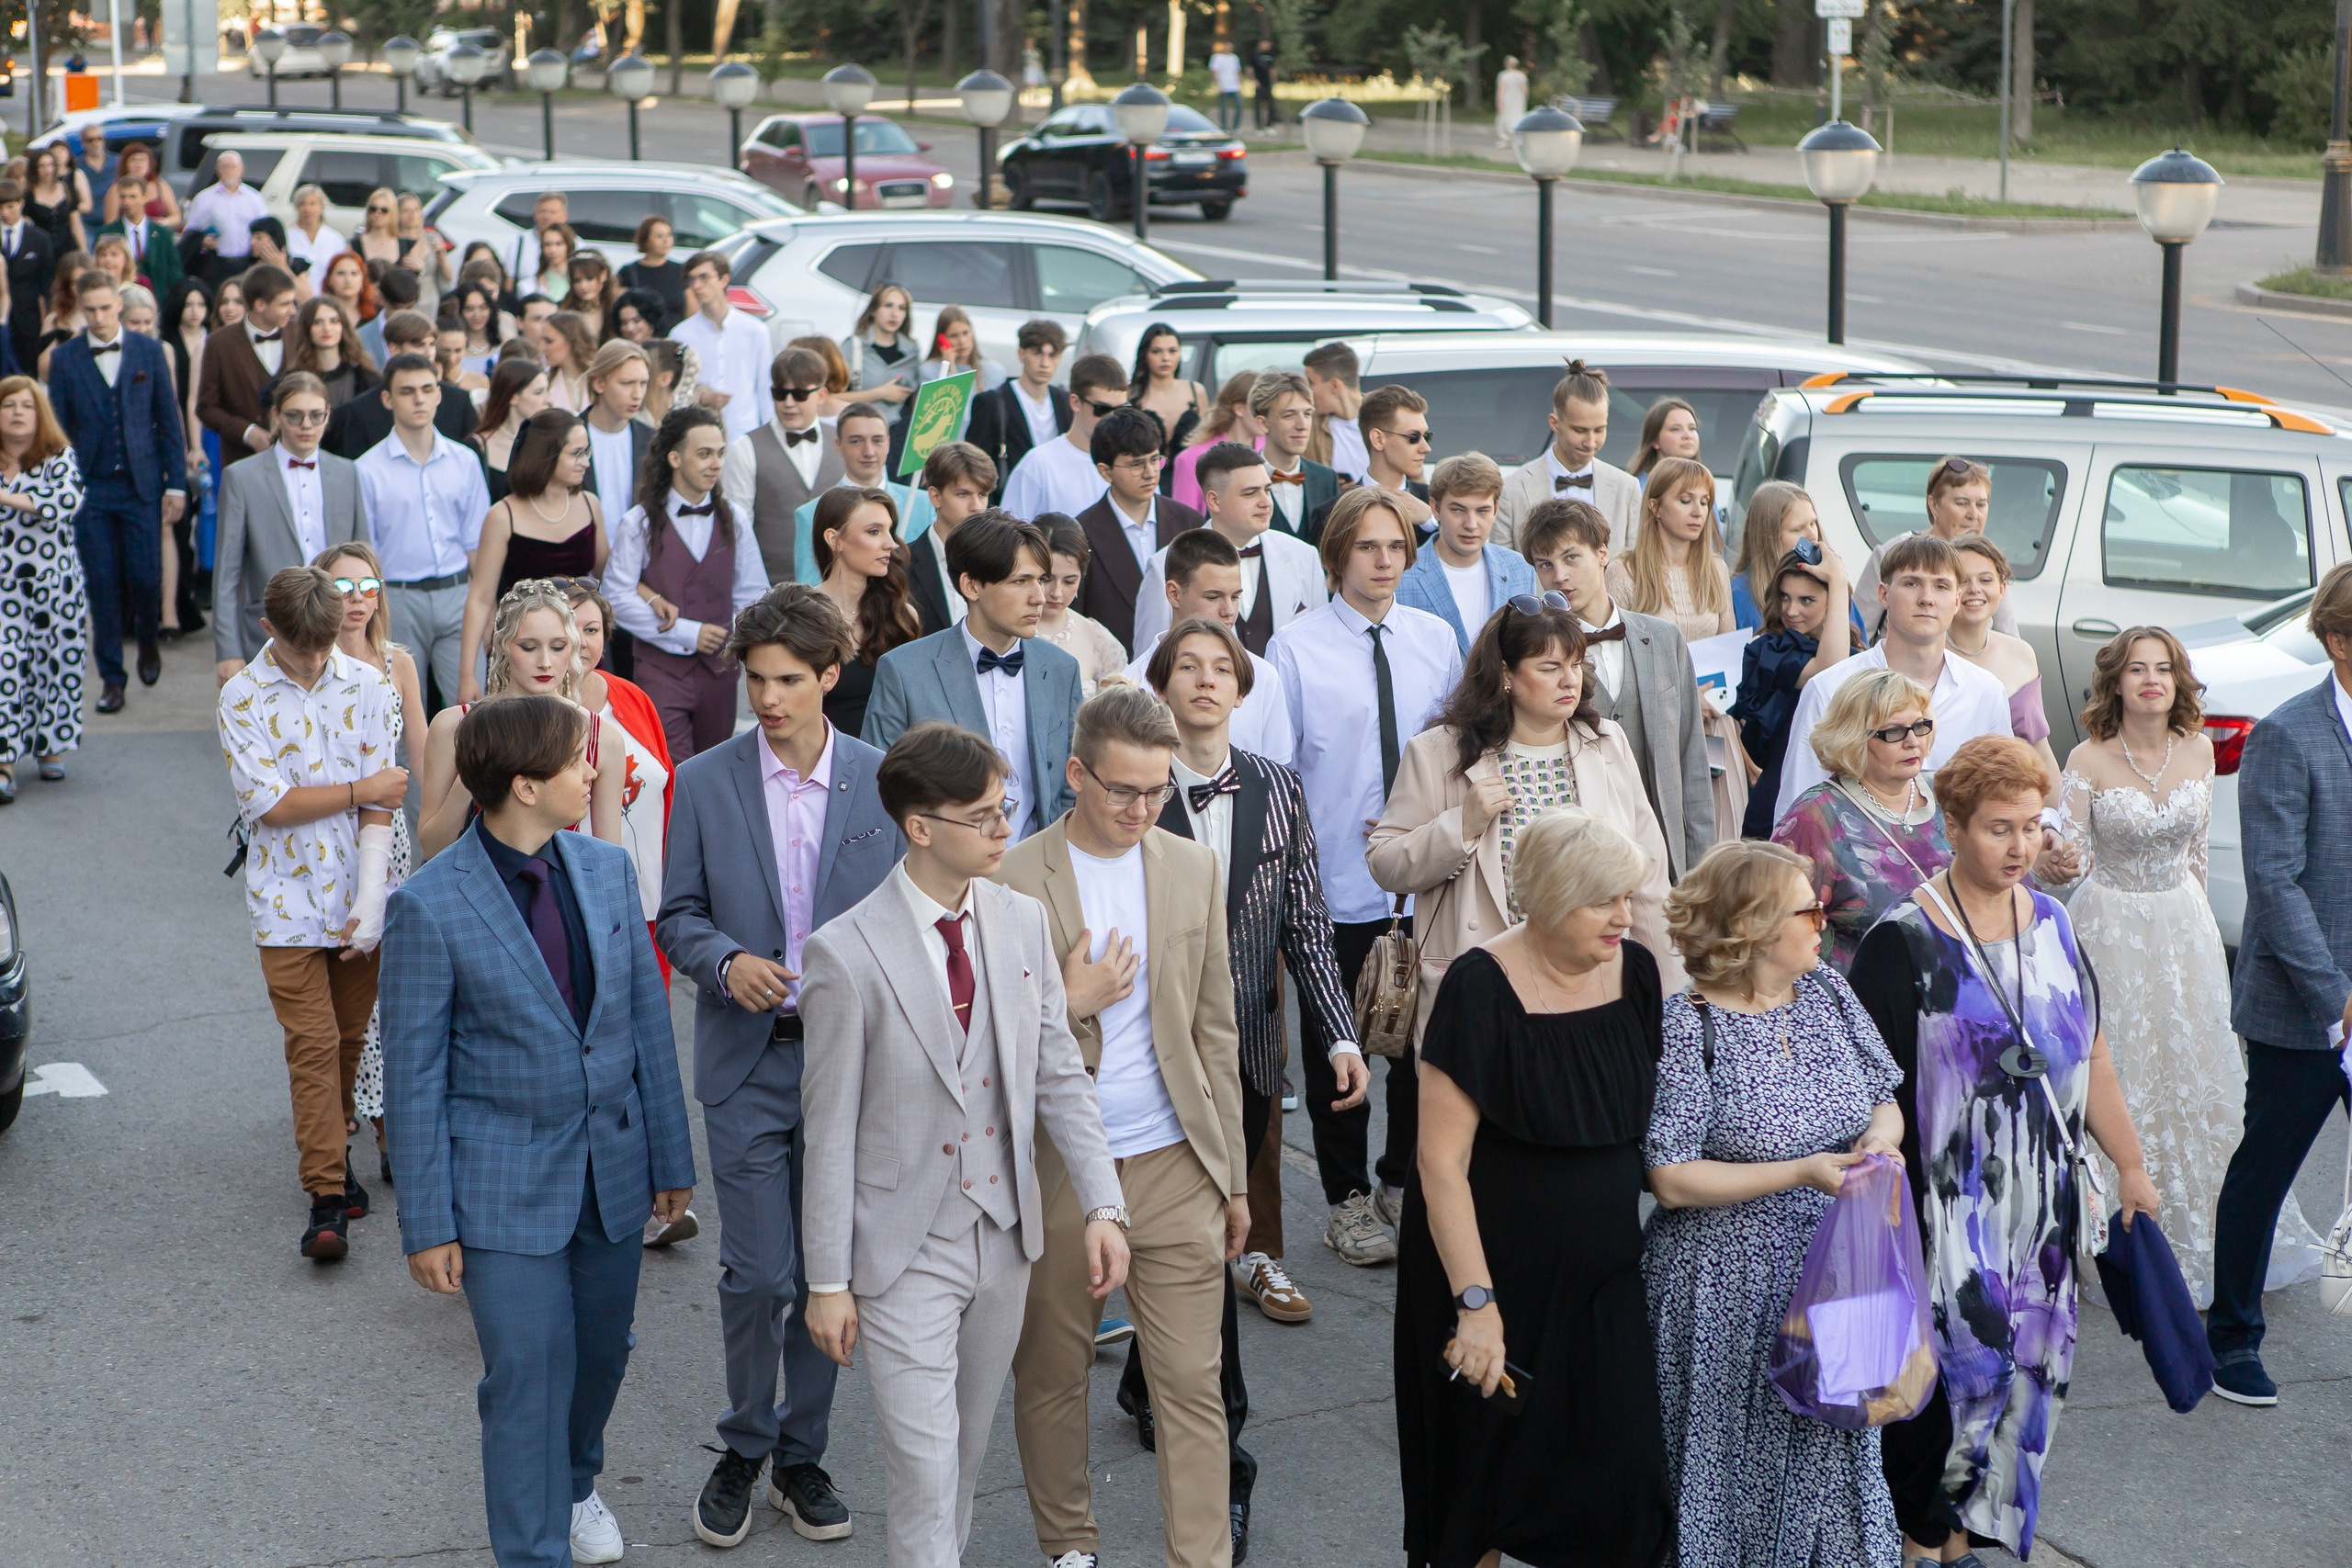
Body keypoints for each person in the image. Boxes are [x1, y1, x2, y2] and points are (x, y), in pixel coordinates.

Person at [796, 721, 1129, 1568]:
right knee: (922, 1462)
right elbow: (827, 1130)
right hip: (903, 1247)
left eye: (1004, 808)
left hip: (1004, 1234)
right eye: (980, 815)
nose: (1001, 829)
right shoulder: (845, 951)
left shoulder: (1020, 922)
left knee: (964, 1461)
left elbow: (1059, 1074)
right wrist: (828, 1281)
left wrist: (1101, 1202)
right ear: (919, 826)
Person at [381, 693, 696, 1568]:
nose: (591, 770)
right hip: (497, 1184)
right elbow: (413, 1076)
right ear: (525, 785)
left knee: (600, 1356)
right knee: (525, 1375)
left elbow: (645, 1023)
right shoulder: (430, 905)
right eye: (574, 761)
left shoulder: (602, 869)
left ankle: (572, 1480)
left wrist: (672, 1156)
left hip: (614, 1171)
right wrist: (429, 1223)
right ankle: (533, 1550)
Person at [1849, 735, 2160, 1563]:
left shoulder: (2055, 923)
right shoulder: (1902, 940)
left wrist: (2130, 1165)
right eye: (1999, 827)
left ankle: (1964, 1544)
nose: (2022, 846)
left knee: (2027, 1388)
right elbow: (1868, 1097)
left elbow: (2089, 1052)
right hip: (1942, 1215)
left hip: (2044, 1215)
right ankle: (1923, 1546)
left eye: (2032, 826)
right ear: (1951, 825)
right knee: (1951, 1399)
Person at [656, 584, 898, 1551]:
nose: (766, 698)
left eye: (788, 681)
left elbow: (911, 920)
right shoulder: (708, 779)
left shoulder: (884, 780)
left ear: (830, 678)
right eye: (754, 680)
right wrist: (723, 961)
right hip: (747, 1061)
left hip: (850, 1069)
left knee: (825, 1270)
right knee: (759, 1274)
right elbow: (677, 915)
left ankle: (802, 1452)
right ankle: (745, 1442)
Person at [996, 684, 1245, 1568]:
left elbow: (1217, 1025)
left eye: (1158, 789)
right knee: (1054, 1373)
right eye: (1122, 790)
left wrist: (1237, 1177)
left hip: (1175, 1155)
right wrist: (1068, 1003)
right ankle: (1071, 1551)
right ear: (1075, 774)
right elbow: (981, 1046)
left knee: (1191, 1382)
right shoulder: (1012, 877)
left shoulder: (1192, 866)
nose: (1142, 808)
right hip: (1061, 1162)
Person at [1394, 807, 1674, 1568]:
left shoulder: (1637, 971)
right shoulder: (1478, 988)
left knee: (1628, 1489)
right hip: (1493, 1278)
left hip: (1605, 1281)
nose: (1624, 916)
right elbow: (1439, 1163)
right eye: (1603, 901)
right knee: (1479, 1494)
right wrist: (1476, 1305)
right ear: (1547, 900)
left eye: (1628, 896)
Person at [1645, 839, 1906, 1568]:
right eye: (1810, 909)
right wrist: (1801, 1172)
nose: (1825, 921)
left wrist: (1878, 1148)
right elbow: (1670, 1175)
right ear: (1755, 925)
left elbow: (1885, 1100)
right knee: (1730, 1466)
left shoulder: (1826, 991)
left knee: (1839, 1453)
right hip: (1730, 1284)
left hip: (1842, 1263)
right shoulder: (1687, 1024)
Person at [2053, 626, 2324, 1314]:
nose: (2151, 679)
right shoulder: (2087, 757)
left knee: (2201, 1075)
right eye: (2137, 669)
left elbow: (2199, 851)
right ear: (2115, 683)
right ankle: (2117, 1230)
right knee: (2125, 1071)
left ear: (2178, 682)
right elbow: (2070, 861)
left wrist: (2198, 928)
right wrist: (2052, 857)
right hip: (2110, 924)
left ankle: (2212, 1231)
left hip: (2184, 925)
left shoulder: (2201, 750)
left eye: (2164, 669)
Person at [1144, 615, 1366, 1327]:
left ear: (1242, 689)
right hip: (1156, 1030)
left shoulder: (1279, 787)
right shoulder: (1135, 790)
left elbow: (1307, 926)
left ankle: (1259, 1256)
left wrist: (1340, 1037)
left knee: (1253, 1155)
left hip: (1251, 1023)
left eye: (1221, 667)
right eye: (1188, 665)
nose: (1206, 678)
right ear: (1161, 684)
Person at [1268, 488, 1463, 1265]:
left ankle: (1400, 1177)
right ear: (1337, 555)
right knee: (1336, 1046)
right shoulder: (1297, 647)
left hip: (1423, 878)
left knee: (1423, 1046)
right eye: (1367, 548)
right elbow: (1281, 767)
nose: (1383, 561)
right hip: (1337, 882)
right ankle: (1345, 1196)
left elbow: (1453, 744)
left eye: (1394, 548)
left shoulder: (1434, 637)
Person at [1374, 587, 1685, 1012]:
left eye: (1575, 664)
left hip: (1596, 983)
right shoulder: (1437, 752)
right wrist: (1460, 827)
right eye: (1549, 667)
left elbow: (1648, 880)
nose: (1569, 680)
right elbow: (1386, 863)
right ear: (1505, 675)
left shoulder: (1606, 741)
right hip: (1486, 994)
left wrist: (1670, 996)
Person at [219, 565, 405, 1258]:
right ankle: (326, 1196)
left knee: (351, 1040)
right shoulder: (241, 697)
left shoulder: (368, 683)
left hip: (359, 893)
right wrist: (361, 786)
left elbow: (384, 804)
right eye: (304, 650)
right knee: (314, 1045)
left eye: (326, 647)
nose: (319, 659)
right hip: (283, 904)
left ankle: (338, 1153)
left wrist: (368, 901)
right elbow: (272, 804)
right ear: (270, 631)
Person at [2211, 567, 2352, 1405]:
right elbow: (2274, 879)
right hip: (2302, 1005)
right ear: (2339, 642)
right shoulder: (2285, 737)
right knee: (2266, 1170)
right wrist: (2336, 993)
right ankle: (2232, 1335)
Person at [1518, 497, 1714, 877]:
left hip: (1663, 849)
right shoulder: (1531, 652)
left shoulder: (1664, 638)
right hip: (1579, 855)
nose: (1559, 576)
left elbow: (1691, 756)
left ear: (1602, 553)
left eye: (1571, 558)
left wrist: (1701, 867)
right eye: (1545, 565)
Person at [862, 510, 1083, 841]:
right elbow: (881, 791)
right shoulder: (905, 671)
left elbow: (1070, 784)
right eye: (1020, 581)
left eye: (1040, 579)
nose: (1040, 597)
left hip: (1039, 872)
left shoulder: (1062, 669)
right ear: (971, 586)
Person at [315, 540, 424, 1186]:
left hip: (393, 842)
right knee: (337, 993)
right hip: (326, 843)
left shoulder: (398, 662)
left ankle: (387, 1124)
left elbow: (424, 751)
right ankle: (336, 1118)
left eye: (368, 586)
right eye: (341, 587)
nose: (356, 599)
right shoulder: (309, 661)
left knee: (388, 990)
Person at [1775, 533, 2012, 822]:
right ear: (1883, 595)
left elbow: (2004, 799)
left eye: (1941, 586)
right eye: (1912, 583)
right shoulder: (1829, 688)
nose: (1926, 599)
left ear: (1957, 600)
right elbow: (1795, 815)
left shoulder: (1986, 692)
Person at [48, 269, 187, 712]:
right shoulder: (66, 358)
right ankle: (112, 678)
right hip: (90, 489)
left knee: (146, 578)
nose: (100, 317)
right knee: (102, 585)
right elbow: (57, 430)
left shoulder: (148, 351)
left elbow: (169, 420)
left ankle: (147, 641)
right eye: (90, 310)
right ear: (80, 310)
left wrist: (177, 486)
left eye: (106, 308)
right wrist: (61, 485)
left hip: (141, 483)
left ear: (119, 306)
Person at [415, 578, 628, 858]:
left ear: (573, 647)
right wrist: (472, 772)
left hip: (559, 897)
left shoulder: (602, 737)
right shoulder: (454, 727)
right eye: (529, 647)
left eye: (558, 646)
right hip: (474, 894)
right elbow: (432, 848)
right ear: (503, 644)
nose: (545, 662)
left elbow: (609, 860)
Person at [605, 406, 770, 762]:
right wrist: (685, 632)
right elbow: (614, 595)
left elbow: (754, 593)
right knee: (671, 771)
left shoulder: (735, 519)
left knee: (714, 770)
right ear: (675, 457)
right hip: (660, 673)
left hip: (720, 672)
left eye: (721, 453)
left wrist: (736, 637)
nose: (715, 463)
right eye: (704, 453)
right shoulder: (639, 522)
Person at [1609, 455, 1749, 842]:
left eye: (1705, 502)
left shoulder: (1716, 569)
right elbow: (1614, 659)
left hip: (1713, 719)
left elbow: (1729, 646)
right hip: (1653, 722)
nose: (1698, 511)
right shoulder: (1625, 572)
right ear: (1654, 505)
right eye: (1685, 499)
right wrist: (1683, 699)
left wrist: (1718, 700)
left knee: (1718, 834)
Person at [356, 353, 494, 712]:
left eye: (427, 389)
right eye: (407, 391)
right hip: (398, 600)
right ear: (388, 399)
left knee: (472, 711)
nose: (418, 398)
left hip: (457, 596)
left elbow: (477, 545)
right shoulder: (366, 470)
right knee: (398, 716)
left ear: (439, 395)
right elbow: (365, 554)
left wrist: (489, 608)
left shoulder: (465, 461)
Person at [213, 373, 368, 678]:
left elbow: (362, 559)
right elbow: (226, 574)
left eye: (315, 416)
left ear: (327, 416)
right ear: (276, 416)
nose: (306, 425)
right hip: (267, 629)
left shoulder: (347, 473)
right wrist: (228, 651)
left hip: (339, 626)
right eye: (295, 416)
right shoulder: (242, 477)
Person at [560, 578, 675, 954]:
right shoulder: (524, 715)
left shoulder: (633, 697)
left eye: (591, 630)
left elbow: (666, 787)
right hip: (571, 916)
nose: (580, 642)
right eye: (567, 628)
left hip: (650, 909)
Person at [459, 409, 608, 701]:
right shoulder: (503, 515)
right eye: (576, 453)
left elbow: (605, 579)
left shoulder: (590, 505)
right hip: (524, 651)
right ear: (547, 456)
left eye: (587, 452)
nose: (586, 462)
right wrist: (467, 675)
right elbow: (480, 597)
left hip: (578, 650)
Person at [1136, 439, 1325, 660]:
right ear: (1214, 501)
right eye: (1250, 493)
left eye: (1267, 490)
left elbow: (1317, 650)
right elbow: (1149, 662)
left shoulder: (1305, 556)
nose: (1266, 502)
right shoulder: (1163, 567)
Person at [1125, 526, 1295, 762]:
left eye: (1235, 597)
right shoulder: (1132, 685)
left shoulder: (1264, 677)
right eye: (1213, 597)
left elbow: (1277, 776)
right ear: (1174, 594)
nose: (1229, 612)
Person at [0, 376, 88, 800]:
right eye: (9, 404)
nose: (18, 412)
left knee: (54, 665)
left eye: (27, 405)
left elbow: (66, 502)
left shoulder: (58, 456)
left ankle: (50, 745)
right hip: (3, 591)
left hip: (56, 587)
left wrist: (7, 497)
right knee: (4, 667)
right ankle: (3, 760)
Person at [1731, 547, 1852, 838]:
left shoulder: (1859, 656)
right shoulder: (1770, 650)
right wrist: (1837, 580)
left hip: (1842, 801)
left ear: (1833, 601)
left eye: (1806, 600)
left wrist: (1837, 582)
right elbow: (1828, 673)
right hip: (1780, 797)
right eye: (1785, 597)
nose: (1791, 610)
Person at [1070, 404, 1203, 650]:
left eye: (1155, 459)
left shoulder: (1189, 523)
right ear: (1105, 471)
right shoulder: (1081, 534)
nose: (1150, 473)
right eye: (1136, 464)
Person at [714, 344, 844, 585]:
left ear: (822, 395)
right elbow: (737, 527)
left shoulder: (843, 441)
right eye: (779, 393)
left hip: (836, 584)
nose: (788, 403)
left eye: (800, 394)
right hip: (770, 589)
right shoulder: (746, 447)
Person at [1854, 455, 2020, 643]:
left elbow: (2010, 638)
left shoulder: (1987, 561)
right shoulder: (1892, 553)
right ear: (1934, 505)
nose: (1973, 514)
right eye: (1961, 503)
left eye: (1981, 504)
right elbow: (1857, 638)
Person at [1948, 531, 2060, 789]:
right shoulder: (1930, 653)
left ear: (2002, 588)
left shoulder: (2021, 653)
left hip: (2013, 791)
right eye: (1963, 580)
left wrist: (2054, 819)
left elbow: (2039, 749)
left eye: (1985, 579)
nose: (1974, 589)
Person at [1394, 452, 1534, 652]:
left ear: (1496, 509)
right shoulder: (1402, 574)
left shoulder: (1520, 568)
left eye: (1482, 511)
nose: (1471, 524)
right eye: (1458, 510)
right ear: (1435, 507)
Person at [1496, 359, 1640, 553]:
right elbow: (1504, 569)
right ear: (1555, 423)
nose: (1590, 442)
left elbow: (1633, 566)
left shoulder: (1627, 488)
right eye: (1579, 430)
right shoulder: (1513, 489)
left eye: (1599, 430)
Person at [809, 485, 919, 737]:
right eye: (874, 532)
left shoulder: (902, 616)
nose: (891, 544)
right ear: (834, 539)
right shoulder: (802, 616)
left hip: (891, 764)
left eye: (889, 531)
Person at [788, 403, 931, 584]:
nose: (869, 452)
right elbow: (809, 587)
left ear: (888, 442)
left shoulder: (922, 504)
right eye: (856, 441)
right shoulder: (811, 514)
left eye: (877, 440)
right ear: (838, 445)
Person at [322, 309, 476, 458]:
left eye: (431, 344)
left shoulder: (459, 402)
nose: (429, 352)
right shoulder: (358, 412)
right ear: (394, 349)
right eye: (419, 345)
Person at [999, 351, 1125, 521]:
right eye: (1102, 409)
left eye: (1122, 410)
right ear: (1075, 402)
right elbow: (1009, 536)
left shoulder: (1136, 462)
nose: (1112, 417)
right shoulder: (1038, 464)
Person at [196, 262, 297, 468]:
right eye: (285, 304)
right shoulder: (219, 343)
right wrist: (247, 432)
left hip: (295, 458)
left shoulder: (299, 333)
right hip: (241, 461)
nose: (293, 310)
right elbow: (206, 408)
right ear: (260, 305)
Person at [1306, 382, 1431, 540]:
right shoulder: (1331, 514)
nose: (1426, 448)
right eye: (1413, 437)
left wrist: (1429, 522)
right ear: (1378, 439)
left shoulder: (1436, 503)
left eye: (1426, 436)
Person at [965, 318, 1069, 505]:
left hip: (1056, 504)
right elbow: (973, 466)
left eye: (1052, 355)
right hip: (1009, 507)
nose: (1045, 363)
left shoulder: (1065, 402)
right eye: (1037, 353)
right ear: (1021, 354)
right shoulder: (992, 402)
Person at [674, 249, 774, 443]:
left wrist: (769, 439)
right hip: (698, 434)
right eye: (691, 279)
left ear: (724, 279)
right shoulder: (680, 335)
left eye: (704, 277)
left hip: (745, 433)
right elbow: (674, 392)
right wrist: (701, 399)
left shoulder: (755, 330)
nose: (696, 286)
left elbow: (765, 388)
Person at [902, 441, 998, 635]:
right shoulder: (899, 567)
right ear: (936, 496)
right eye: (963, 494)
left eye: (983, 494)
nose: (977, 506)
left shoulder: (1002, 560)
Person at [1034, 514, 1128, 698]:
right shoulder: (1002, 630)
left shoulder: (1100, 642)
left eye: (1069, 581)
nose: (1056, 592)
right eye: (1046, 579)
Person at [1250, 369, 1340, 540]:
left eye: (1307, 414)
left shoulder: (1326, 478)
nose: (1302, 425)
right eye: (1289, 415)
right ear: (1263, 423)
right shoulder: (1241, 480)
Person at [580, 341, 652, 541]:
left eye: (643, 383)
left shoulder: (652, 440)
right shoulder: (567, 436)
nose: (637, 394)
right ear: (599, 383)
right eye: (627, 383)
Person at [1167, 369, 1261, 514]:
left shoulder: (1270, 449)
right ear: (1239, 409)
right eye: (1260, 408)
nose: (1266, 415)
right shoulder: (1192, 459)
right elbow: (1184, 521)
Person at [1126, 323, 1210, 481]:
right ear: (1145, 354)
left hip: (1190, 481)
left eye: (1172, 351)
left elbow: (1206, 443)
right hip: (1144, 481)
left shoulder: (1195, 392)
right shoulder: (1131, 396)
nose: (1166, 358)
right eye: (1157, 351)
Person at [838, 280, 921, 428]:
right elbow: (830, 398)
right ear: (873, 310)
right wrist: (880, 393)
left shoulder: (912, 351)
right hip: (864, 427)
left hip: (903, 430)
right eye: (888, 305)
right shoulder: (853, 346)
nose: (895, 314)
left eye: (902, 308)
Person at [470, 356, 553, 504]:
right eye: (539, 392)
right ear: (513, 397)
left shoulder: (550, 442)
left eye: (547, 391)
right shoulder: (478, 446)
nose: (547, 399)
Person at [92, 174, 182, 298]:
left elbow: (174, 271)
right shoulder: (107, 233)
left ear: (145, 197)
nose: (127, 202)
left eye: (132, 196)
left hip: (158, 301)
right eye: (123, 197)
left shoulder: (162, 234)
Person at [2, 181, 59, 375]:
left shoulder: (39, 239)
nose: (5, 213)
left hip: (29, 317)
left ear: (21, 203)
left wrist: (46, 319)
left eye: (10, 206)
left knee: (29, 370)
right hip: (2, 316)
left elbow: (46, 283)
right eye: (0, 207)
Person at [288, 295, 379, 411]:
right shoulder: (294, 379)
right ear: (307, 328)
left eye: (334, 321)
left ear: (343, 327)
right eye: (317, 322)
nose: (327, 328)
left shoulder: (366, 378)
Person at [1299, 341, 1364, 484]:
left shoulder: (1386, 420)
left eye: (1311, 383)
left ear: (1335, 385)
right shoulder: (1308, 427)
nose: (1308, 391)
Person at [918, 303, 1006, 394]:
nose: (962, 341)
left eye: (965, 333)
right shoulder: (929, 370)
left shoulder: (992, 370)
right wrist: (950, 369)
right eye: (954, 336)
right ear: (941, 339)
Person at [619, 214, 686, 324]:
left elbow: (692, 311)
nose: (666, 240)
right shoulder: (628, 272)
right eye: (659, 236)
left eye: (669, 235)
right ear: (646, 240)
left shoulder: (681, 270)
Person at [535, 309, 597, 413]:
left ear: (571, 341)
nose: (542, 347)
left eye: (549, 341)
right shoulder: (543, 379)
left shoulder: (600, 377)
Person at [1627, 395, 1702, 481]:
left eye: (1692, 428)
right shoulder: (1638, 487)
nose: (1688, 436)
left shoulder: (1703, 484)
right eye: (1675, 429)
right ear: (1655, 440)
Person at [285, 182, 347, 279]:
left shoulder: (335, 239)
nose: (307, 209)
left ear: (321, 207)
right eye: (302, 204)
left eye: (312, 204)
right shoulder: (287, 236)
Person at [449, 277, 504, 374]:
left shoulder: (504, 342)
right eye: (469, 309)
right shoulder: (451, 348)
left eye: (482, 308)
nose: (477, 315)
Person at [567, 251, 620, 343]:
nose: (583, 286)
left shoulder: (616, 309)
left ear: (603, 275)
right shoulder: (564, 310)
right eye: (577, 280)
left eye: (589, 278)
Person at [528, 222, 577, 306]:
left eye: (558, 244)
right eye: (547, 244)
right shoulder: (530, 285)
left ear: (568, 246)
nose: (552, 250)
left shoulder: (577, 280)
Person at [1210, 39, 1245, 132]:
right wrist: (1218, 84)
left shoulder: (1234, 58)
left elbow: (1237, 71)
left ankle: (1235, 127)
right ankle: (1224, 126)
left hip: (1234, 86)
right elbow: (1215, 72)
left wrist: (1240, 82)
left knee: (1239, 105)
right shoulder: (1217, 57)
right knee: (1223, 107)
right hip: (1223, 86)